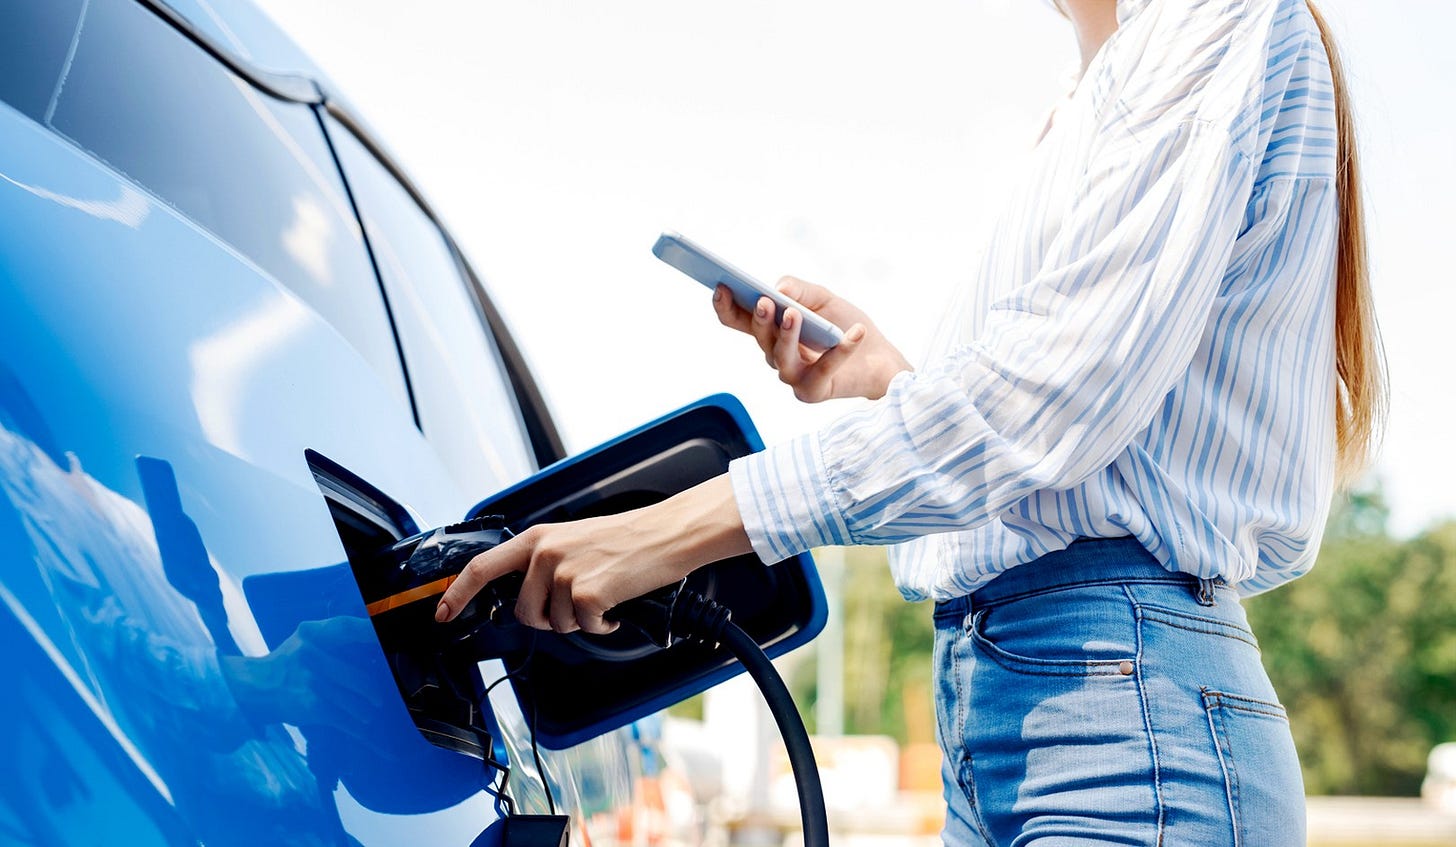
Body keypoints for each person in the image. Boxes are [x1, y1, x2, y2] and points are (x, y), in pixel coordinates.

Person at [437, 0, 1384, 842]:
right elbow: (1059, 437)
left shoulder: (1212, 19)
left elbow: (1042, 401)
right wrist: (890, 381)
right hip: (1012, 706)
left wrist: (662, 534)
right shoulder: (1087, 96)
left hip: (1126, 719)